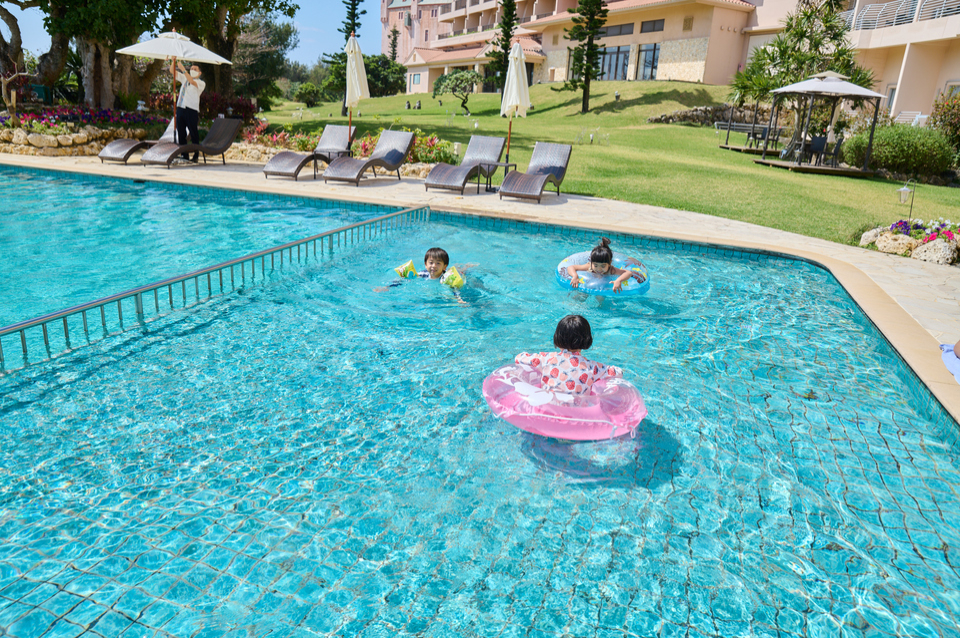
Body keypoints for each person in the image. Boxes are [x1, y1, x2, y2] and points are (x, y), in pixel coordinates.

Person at [515, 315, 622, 395]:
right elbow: (618, 372)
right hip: (578, 413)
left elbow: (519, 358)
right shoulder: (592, 367)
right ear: (587, 339)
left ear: (557, 337)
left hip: (549, 410)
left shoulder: (546, 359)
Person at [566, 237, 637, 293]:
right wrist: (575, 276)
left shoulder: (611, 270)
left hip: (602, 288)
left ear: (609, 263)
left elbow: (628, 273)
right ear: (591, 262)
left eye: (603, 266)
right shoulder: (589, 266)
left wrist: (618, 280)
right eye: (596, 265)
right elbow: (571, 267)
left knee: (600, 297)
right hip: (588, 285)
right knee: (581, 295)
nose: (599, 269)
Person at [169, 59, 205, 162]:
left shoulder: (201, 83)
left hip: (191, 109)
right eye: (191, 68)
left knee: (193, 132)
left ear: (199, 73)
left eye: (195, 69)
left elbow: (192, 81)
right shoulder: (185, 78)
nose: (192, 70)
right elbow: (172, 71)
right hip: (181, 107)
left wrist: (183, 69)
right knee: (181, 132)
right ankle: (184, 155)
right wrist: (174, 60)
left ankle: (196, 154)